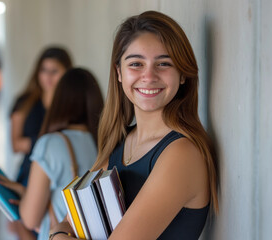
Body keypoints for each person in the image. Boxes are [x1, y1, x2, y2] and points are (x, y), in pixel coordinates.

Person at [50, 11, 219, 240]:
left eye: (164, 63)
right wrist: (59, 232)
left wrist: (57, 235)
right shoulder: (119, 142)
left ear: (182, 75)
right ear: (119, 72)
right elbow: (68, 221)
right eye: (136, 64)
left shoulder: (182, 154)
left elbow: (61, 229)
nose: (149, 76)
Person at [0, 68, 104, 240]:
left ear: (59, 101)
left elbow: (31, 220)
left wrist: (26, 197)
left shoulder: (50, 144)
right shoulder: (104, 142)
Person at [11, 47, 72, 187]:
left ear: (67, 73)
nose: (48, 76)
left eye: (54, 71)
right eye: (43, 70)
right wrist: (52, 141)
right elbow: (16, 144)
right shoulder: (24, 102)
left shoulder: (72, 104)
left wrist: (33, 142)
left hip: (63, 173)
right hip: (30, 171)